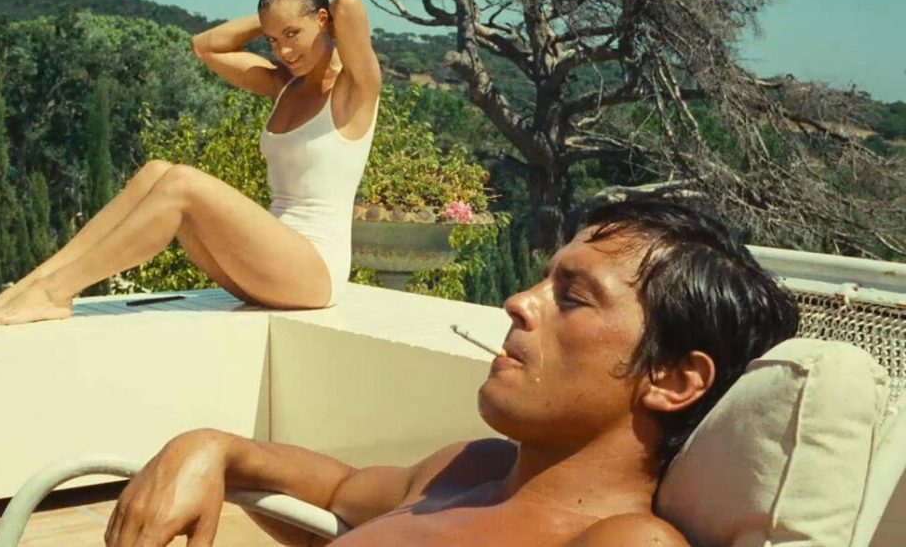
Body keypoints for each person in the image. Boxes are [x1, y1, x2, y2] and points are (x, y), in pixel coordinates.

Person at [101, 199, 801, 547]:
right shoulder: (470, 468)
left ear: (673, 380)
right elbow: (338, 487)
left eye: (572, 297)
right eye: (543, 280)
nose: (518, 301)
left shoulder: (624, 542)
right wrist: (209, 447)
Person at [0, 0, 381, 325]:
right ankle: (32, 284)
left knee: (181, 183)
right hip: (266, 266)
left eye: (293, 34)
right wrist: (276, 16)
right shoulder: (282, 84)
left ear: (322, 20)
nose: (284, 50)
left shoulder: (355, 91)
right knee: (156, 172)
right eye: (272, 40)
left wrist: (299, 10)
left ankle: (56, 292)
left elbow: (348, 5)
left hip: (314, 273)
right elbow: (205, 46)